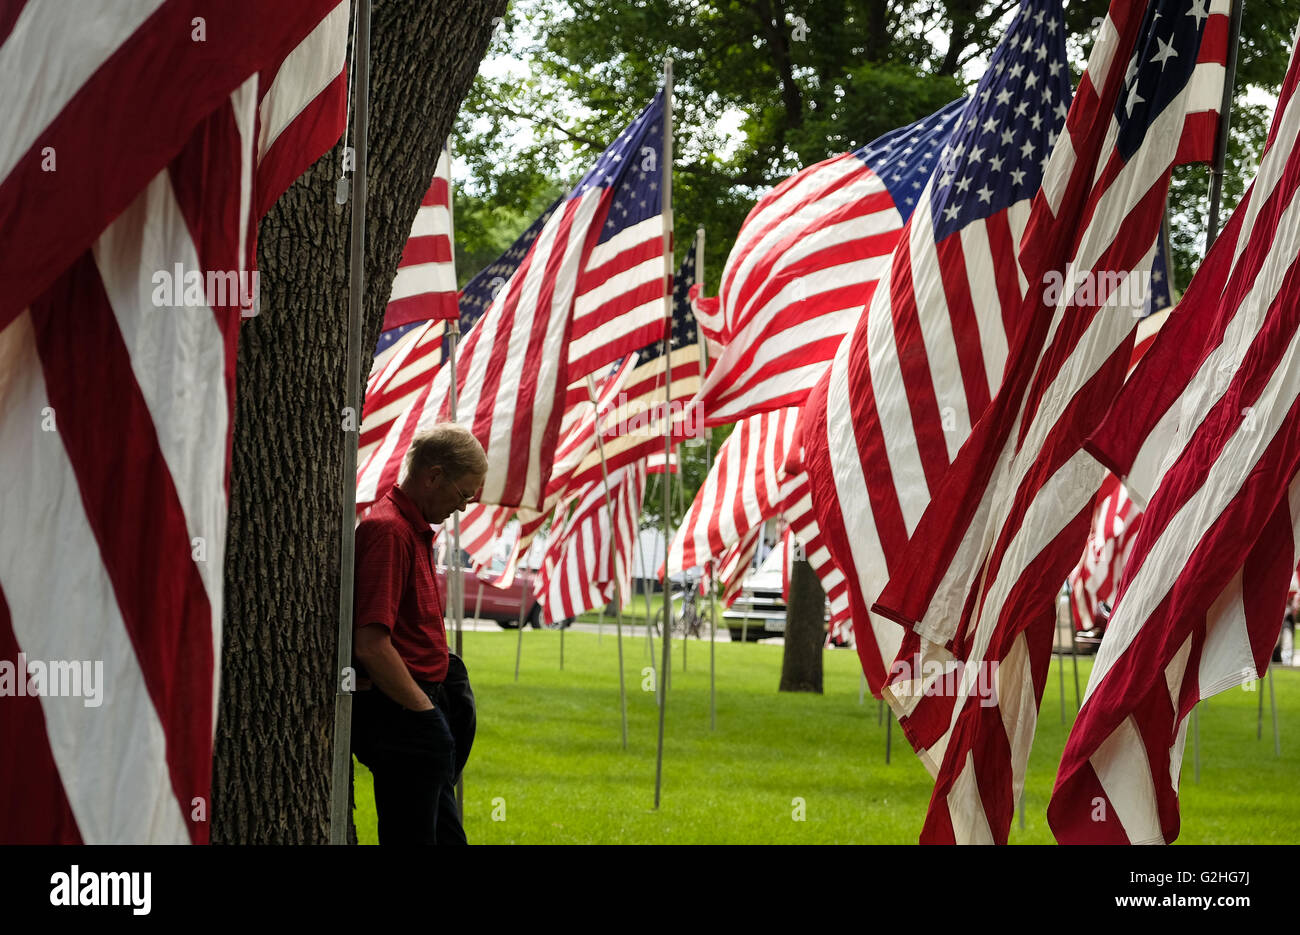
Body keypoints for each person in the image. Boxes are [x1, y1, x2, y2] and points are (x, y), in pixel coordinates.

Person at [351, 423, 487, 845]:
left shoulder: (413, 529)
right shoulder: (388, 531)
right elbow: (371, 644)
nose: (462, 508)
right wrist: (425, 716)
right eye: (463, 494)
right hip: (402, 717)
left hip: (426, 707)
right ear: (433, 476)